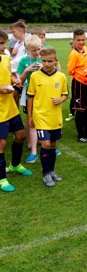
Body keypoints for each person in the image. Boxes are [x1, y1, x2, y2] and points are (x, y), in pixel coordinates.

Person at [27, 47, 68, 187]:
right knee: (45, 144)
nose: (47, 64)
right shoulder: (35, 76)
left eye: (50, 61)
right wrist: (30, 117)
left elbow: (65, 93)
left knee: (53, 145)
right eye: (44, 61)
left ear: (56, 60)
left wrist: (61, 99)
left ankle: (51, 171)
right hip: (40, 116)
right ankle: (45, 174)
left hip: (55, 117)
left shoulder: (61, 77)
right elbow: (30, 97)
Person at [0, 46, 32, 192]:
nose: (3, 46)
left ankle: (15, 165)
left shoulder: (6, 59)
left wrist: (15, 80)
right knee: (1, 144)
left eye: (3, 43)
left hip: (10, 108)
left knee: (21, 136)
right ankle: (2, 179)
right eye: (0, 43)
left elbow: (9, 75)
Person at [16, 34, 43, 163]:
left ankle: (48, 145)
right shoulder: (23, 61)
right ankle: (33, 150)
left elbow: (54, 73)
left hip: (44, 94)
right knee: (31, 121)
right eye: (34, 50)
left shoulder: (43, 58)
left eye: (39, 49)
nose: (37, 52)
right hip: (30, 95)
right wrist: (26, 71)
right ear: (27, 49)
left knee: (44, 119)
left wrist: (44, 69)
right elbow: (18, 82)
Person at [67, 28, 87, 143]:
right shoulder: (74, 54)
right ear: (74, 40)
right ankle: (81, 135)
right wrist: (81, 74)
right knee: (80, 109)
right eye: (79, 40)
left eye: (83, 39)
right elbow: (70, 70)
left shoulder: (86, 50)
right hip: (79, 84)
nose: (81, 42)